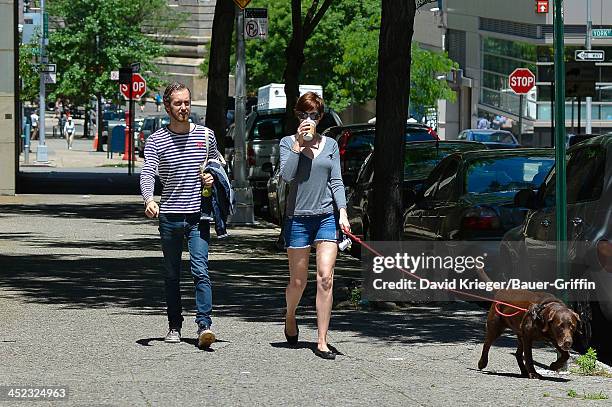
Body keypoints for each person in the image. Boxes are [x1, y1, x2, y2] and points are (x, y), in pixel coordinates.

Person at [140, 82, 218, 349]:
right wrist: (149, 199)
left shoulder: (206, 136)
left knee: (200, 269)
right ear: (167, 107)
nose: (184, 108)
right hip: (170, 216)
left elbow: (218, 164)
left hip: (198, 215)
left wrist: (212, 176)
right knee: (172, 273)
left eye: (187, 102)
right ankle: (174, 325)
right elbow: (148, 172)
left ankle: (204, 325)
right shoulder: (156, 140)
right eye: (178, 103)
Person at [278, 92, 351, 360]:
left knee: (325, 277)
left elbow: (336, 181)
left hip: (325, 217)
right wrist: (299, 144)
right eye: (303, 115)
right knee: (298, 282)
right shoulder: (287, 143)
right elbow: (287, 176)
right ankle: (289, 315)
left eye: (313, 115)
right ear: (297, 116)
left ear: (321, 117)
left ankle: (322, 340)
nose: (308, 120)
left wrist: (342, 212)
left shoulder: (330, 145)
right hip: (297, 218)